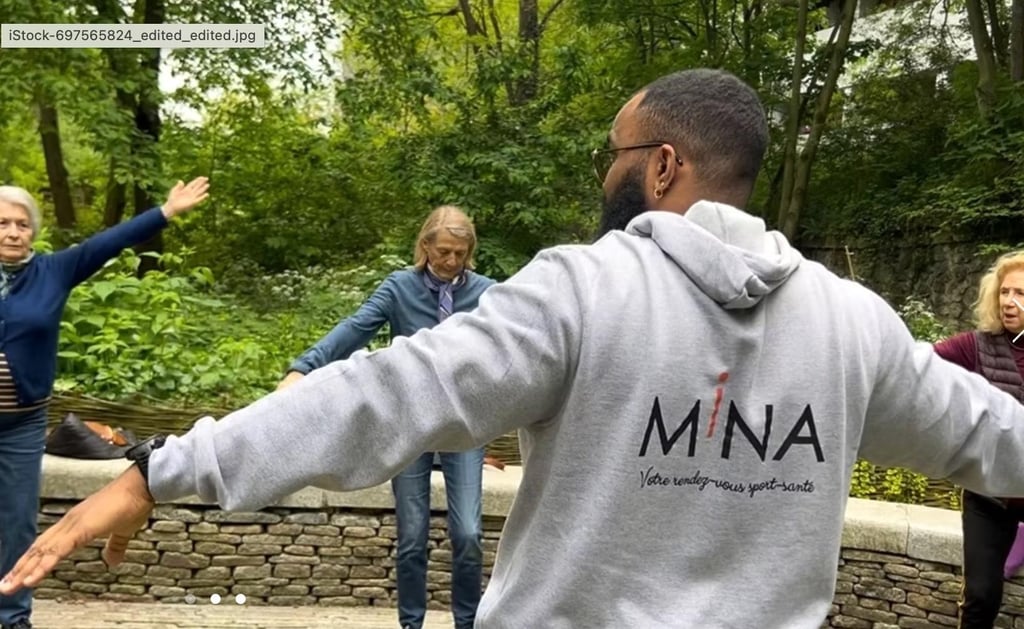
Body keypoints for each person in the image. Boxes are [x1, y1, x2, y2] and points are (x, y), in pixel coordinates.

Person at [7, 70, 1024, 628]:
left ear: (662, 164)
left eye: (613, 155)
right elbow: (995, 435)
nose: (605, 175)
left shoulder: (584, 287)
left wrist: (165, 466)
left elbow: (389, 394)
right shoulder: (854, 324)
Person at [0, 177, 208, 629]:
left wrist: (166, 211)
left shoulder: (53, 271)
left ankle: (13, 616)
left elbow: (107, 243)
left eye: (22, 224)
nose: (13, 232)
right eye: (2, 223)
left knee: (16, 523)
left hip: (21, 424)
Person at [277, 205, 494, 629]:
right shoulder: (399, 288)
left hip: (463, 426)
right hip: (408, 424)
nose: (451, 262)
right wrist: (303, 367)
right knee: (411, 536)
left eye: (460, 253)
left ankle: (467, 625)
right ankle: (410, 625)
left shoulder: (487, 292)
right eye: (443, 252)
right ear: (425, 246)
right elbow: (353, 328)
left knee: (468, 533)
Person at [934, 251, 1024, 628]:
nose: (1008, 301)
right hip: (989, 496)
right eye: (1004, 291)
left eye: (1020, 292)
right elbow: (920, 366)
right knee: (982, 596)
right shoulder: (976, 346)